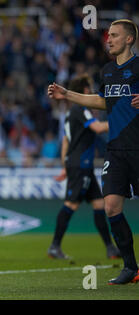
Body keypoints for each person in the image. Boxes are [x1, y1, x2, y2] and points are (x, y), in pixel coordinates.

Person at [48, 19, 139, 284]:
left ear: (129, 39)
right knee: (111, 207)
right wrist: (68, 94)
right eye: (108, 35)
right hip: (117, 149)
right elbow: (101, 101)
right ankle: (131, 267)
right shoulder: (108, 71)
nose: (108, 39)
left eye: (114, 35)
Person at [48, 74, 120, 260]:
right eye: (89, 86)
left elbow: (66, 141)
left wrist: (65, 165)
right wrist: (121, 121)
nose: (92, 89)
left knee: (99, 204)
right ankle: (54, 246)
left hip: (78, 164)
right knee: (71, 204)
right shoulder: (82, 109)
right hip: (81, 164)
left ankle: (110, 248)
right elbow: (97, 128)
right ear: (85, 90)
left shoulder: (70, 113)